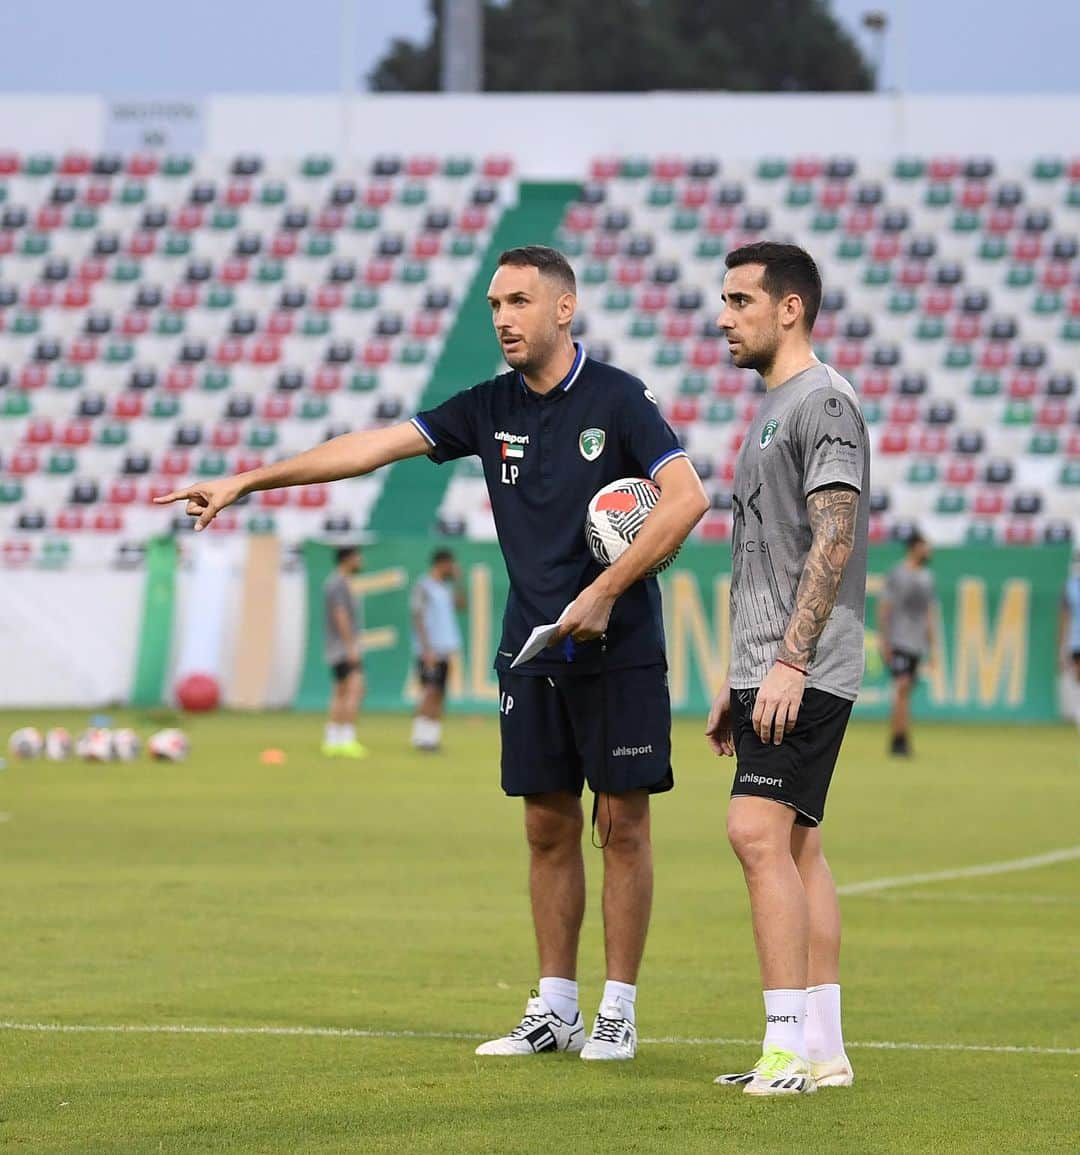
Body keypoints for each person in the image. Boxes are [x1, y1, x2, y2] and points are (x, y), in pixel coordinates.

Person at [155, 244, 709, 1062]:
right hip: (531, 647)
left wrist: (606, 590)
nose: (502, 318)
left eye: (518, 301)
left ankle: (617, 1010)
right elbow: (370, 447)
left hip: (617, 647)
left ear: (564, 307)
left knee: (623, 825)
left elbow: (688, 495)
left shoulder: (620, 400)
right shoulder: (488, 407)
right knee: (545, 828)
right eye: (493, 305)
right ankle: (555, 1007)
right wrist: (245, 481)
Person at [705, 241, 869, 1096]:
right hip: (769, 665)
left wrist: (789, 661)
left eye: (739, 300)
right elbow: (770, 558)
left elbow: (834, 535)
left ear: (790, 307)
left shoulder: (824, 401)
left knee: (753, 832)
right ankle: (823, 1047)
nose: (724, 317)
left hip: (803, 664)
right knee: (799, 844)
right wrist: (736, 674)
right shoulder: (776, 408)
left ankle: (783, 1052)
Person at [878, 530, 938, 756]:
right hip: (899, 640)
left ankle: (900, 737)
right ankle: (899, 740)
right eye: (925, 546)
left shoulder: (928, 577)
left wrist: (932, 647)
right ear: (915, 547)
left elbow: (929, 615)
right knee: (902, 686)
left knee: (906, 691)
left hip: (916, 643)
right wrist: (885, 641)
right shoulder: (898, 573)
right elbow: (885, 608)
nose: (929, 551)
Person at [410, 547, 464, 751]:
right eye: (450, 565)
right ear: (442, 564)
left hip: (446, 648)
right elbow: (418, 617)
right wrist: (426, 649)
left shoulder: (445, 587)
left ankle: (431, 737)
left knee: (440, 693)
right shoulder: (424, 586)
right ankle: (419, 735)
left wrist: (458, 581)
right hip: (430, 650)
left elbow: (461, 605)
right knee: (429, 691)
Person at [323, 544, 367, 759]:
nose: (360, 560)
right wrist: (351, 647)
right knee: (354, 690)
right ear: (347, 558)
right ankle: (347, 739)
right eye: (357, 556)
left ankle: (333, 739)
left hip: (335, 647)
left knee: (340, 691)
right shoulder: (339, 584)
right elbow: (341, 616)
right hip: (343, 648)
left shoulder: (336, 582)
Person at [1059, 558, 1080, 727]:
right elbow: (1064, 618)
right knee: (1077, 676)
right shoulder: (1070, 586)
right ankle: (1077, 713)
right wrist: (1062, 646)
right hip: (1076, 639)